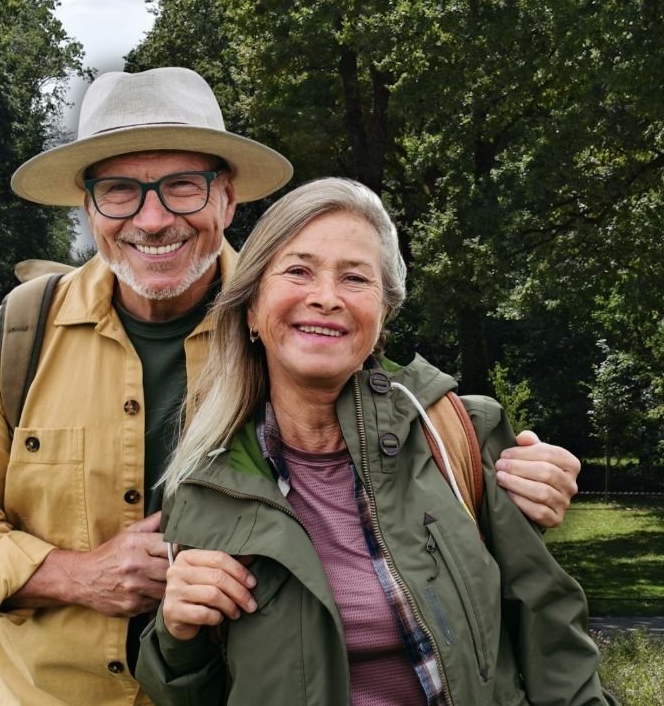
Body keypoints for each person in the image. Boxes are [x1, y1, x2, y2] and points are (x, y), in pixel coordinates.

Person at [0, 67, 582, 706]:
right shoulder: (12, 341)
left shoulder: (298, 324)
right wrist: (77, 574)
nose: (154, 217)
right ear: (89, 208)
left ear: (226, 196)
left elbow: (402, 465)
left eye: (183, 186)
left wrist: (504, 477)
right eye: (120, 190)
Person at [134, 178, 614, 705]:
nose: (325, 297)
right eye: (298, 271)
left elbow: (552, 636)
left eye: (355, 278)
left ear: (383, 312)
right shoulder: (204, 490)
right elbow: (190, 696)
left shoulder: (461, 436)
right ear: (251, 309)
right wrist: (177, 634)